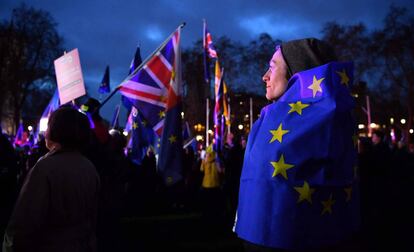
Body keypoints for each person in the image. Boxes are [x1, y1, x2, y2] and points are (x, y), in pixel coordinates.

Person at [234, 38, 358, 251]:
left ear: (298, 74)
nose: (264, 76)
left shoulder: (324, 120)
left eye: (272, 67)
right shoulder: (272, 117)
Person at [3, 106, 100, 252]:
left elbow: (25, 220)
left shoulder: (46, 167)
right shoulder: (89, 167)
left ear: (55, 130)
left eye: (49, 125)